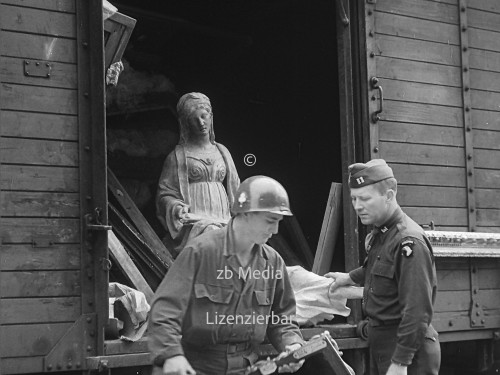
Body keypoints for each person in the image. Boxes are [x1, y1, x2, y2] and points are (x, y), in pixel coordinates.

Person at [148, 176, 305, 375]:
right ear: (246, 213)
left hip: (248, 368)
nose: (275, 230)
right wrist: (171, 355)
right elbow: (164, 310)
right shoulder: (201, 252)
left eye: (278, 222)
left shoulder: (272, 262)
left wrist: (292, 345)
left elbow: (282, 317)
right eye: (270, 221)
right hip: (197, 368)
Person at [326, 159, 440, 375]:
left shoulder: (408, 241)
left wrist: (400, 363)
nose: (357, 206)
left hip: (408, 354)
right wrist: (349, 278)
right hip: (387, 346)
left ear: (389, 195)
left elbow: (417, 311)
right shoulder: (383, 233)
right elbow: (377, 267)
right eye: (354, 198)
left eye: (365, 198)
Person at [156, 92, 239, 253]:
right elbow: (165, 194)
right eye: (194, 119)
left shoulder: (222, 151)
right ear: (186, 124)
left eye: (204, 116)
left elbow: (236, 188)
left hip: (223, 218)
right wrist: (176, 207)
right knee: (210, 244)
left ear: (211, 117)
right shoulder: (178, 156)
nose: (201, 123)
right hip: (195, 222)